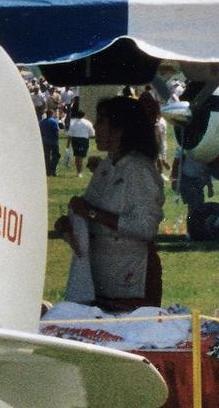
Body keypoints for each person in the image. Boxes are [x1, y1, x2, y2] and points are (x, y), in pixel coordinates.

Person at [58, 95, 165, 311]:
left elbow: (146, 228)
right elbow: (87, 211)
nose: (95, 127)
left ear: (120, 128)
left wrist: (92, 213)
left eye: (101, 121)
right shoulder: (108, 165)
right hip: (100, 279)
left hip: (132, 279)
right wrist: (69, 225)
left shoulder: (139, 170)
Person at [67, 109, 95, 176]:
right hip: (83, 139)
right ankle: (80, 172)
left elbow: (70, 134)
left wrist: (67, 145)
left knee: (77, 156)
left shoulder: (73, 123)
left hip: (75, 140)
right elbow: (92, 133)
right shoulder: (87, 123)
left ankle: (79, 171)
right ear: (84, 115)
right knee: (81, 156)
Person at [38, 109, 61, 177]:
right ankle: (53, 169)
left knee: (46, 156)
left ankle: (47, 170)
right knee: (56, 156)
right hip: (53, 141)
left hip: (45, 141)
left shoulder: (41, 122)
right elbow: (56, 132)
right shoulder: (54, 121)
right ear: (52, 114)